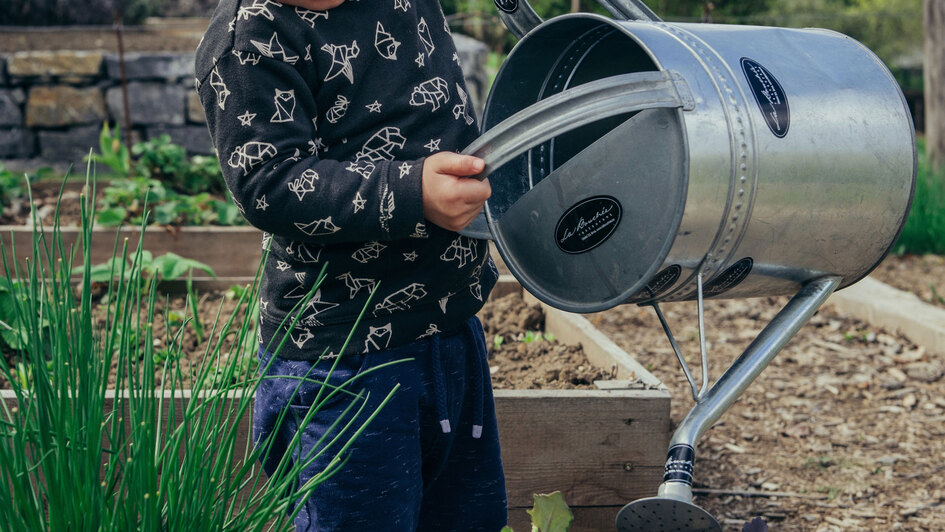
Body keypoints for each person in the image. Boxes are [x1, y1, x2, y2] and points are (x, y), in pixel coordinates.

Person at [194, 0, 507, 530]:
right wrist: (412, 192)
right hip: (345, 358)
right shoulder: (249, 38)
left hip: (451, 326)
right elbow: (269, 183)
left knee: (463, 518)